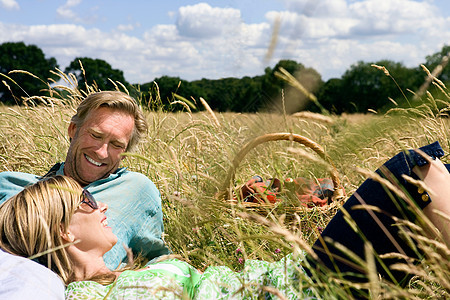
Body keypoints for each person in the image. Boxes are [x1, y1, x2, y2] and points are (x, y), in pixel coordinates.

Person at [0, 143, 448, 299]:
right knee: (413, 171)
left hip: (294, 276)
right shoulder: (82, 297)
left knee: (424, 172)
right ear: (62, 231)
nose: (100, 206)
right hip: (307, 290)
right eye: (84, 203)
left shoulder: (117, 275)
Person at [0, 91, 171, 271]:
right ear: (73, 129)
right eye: (96, 135)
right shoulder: (10, 185)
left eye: (116, 145)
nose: (102, 152)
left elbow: (156, 259)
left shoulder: (136, 191)